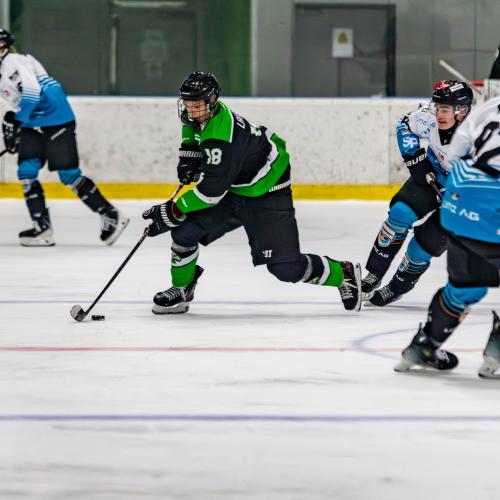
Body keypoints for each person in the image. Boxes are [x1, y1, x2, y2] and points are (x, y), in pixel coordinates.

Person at [141, 71, 362, 314]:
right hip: (236, 186)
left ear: (212, 101)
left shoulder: (220, 138)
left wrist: (172, 210)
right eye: (187, 104)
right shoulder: (202, 114)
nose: (191, 111)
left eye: (196, 105)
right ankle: (182, 288)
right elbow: (192, 132)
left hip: (267, 191)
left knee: (285, 268)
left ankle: (344, 273)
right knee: (185, 232)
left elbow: (209, 194)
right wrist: (188, 157)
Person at [394, 96, 500, 377]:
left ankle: (424, 346)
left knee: (468, 286)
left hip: (460, 202)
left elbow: (454, 156)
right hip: (494, 204)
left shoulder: (490, 106)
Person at [0, 29, 129, 246]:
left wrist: (18, 120)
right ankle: (42, 227)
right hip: (35, 122)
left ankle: (110, 214)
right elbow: (23, 100)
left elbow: (32, 92)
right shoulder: (4, 70)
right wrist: (17, 122)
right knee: (26, 171)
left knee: (68, 175)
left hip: (56, 119)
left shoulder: (13, 62)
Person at [361, 80, 473, 306]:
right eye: (437, 107)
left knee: (423, 245)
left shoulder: (479, 138)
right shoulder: (428, 117)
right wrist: (415, 159)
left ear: (461, 111)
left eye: (445, 109)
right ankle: (374, 273)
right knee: (400, 213)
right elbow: (405, 124)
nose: (438, 114)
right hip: (434, 173)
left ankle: (396, 288)